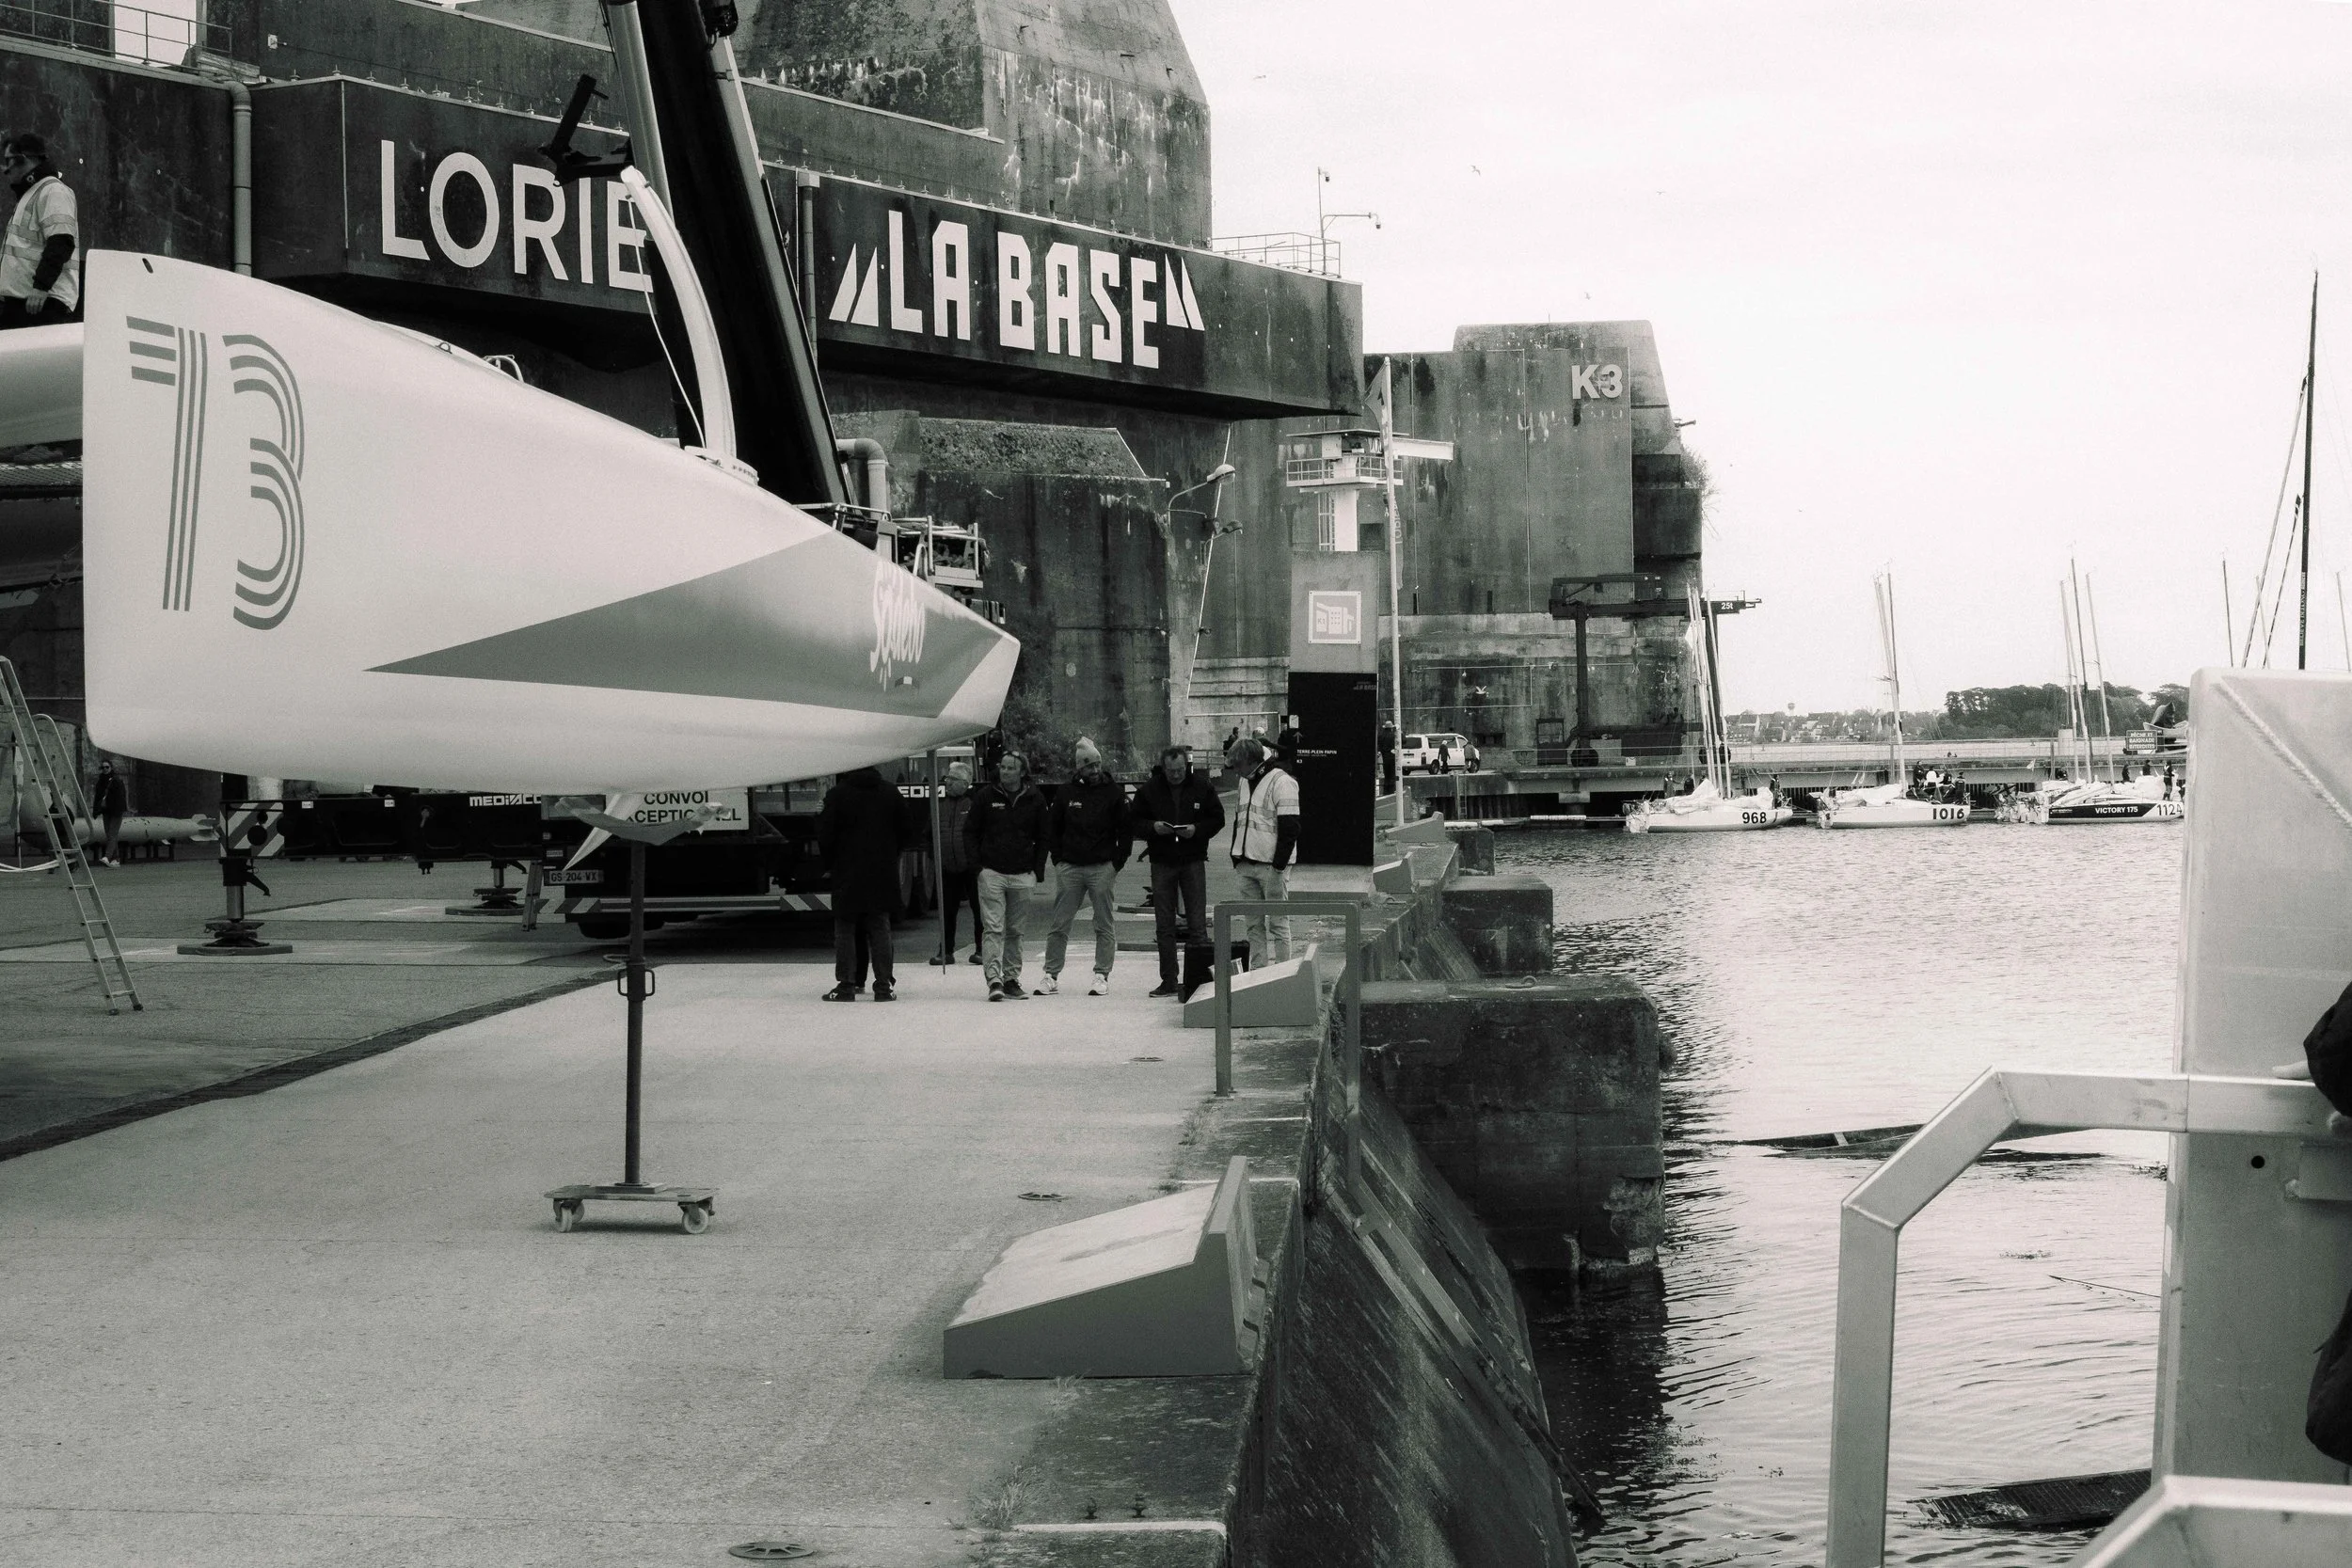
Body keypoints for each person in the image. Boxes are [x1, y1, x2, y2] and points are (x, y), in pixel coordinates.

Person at [1129, 743, 1225, 998]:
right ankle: (1169, 980)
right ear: (1163, 768)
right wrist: (1152, 827)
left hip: (1192, 858)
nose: (1176, 775)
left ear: (1187, 766)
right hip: (1162, 860)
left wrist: (1197, 830)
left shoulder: (1202, 787)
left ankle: (1200, 981)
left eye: (1180, 769)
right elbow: (1133, 822)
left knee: (1197, 923)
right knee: (1164, 923)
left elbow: (1218, 819)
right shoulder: (1150, 790)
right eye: (1171, 771)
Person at [1041, 737, 1129, 995]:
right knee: (1060, 923)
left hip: (1102, 867)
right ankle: (1051, 974)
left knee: (1104, 923)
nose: (1095, 770)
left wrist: (1116, 864)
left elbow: (1125, 830)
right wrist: (1058, 860)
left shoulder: (1113, 792)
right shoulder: (1066, 793)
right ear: (1079, 767)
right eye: (1089, 766)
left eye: (1098, 765)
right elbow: (1053, 828)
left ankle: (1102, 974)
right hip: (1070, 867)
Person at [816, 767, 912, 1001]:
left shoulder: (838, 794)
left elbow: (826, 835)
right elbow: (907, 830)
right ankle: (883, 987)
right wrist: (891, 853)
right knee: (880, 927)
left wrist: (830, 863)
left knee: (845, 928)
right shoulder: (891, 793)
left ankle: (846, 986)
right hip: (882, 870)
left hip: (847, 870)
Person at [963, 752, 1047, 1001]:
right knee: (993, 928)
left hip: (1022, 874)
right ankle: (994, 979)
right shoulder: (985, 797)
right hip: (992, 873)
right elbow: (970, 832)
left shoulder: (1035, 798)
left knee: (1015, 930)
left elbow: (1044, 835)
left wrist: (1038, 870)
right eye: (1003, 767)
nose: (1006, 771)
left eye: (1012, 768)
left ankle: (1011, 978)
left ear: (1023, 772)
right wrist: (977, 868)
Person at [1227, 736, 1300, 962]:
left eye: (1238, 766)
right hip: (1246, 863)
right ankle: (1259, 973)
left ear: (1251, 761)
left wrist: (1278, 868)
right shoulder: (1244, 781)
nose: (1236, 772)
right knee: (1253, 926)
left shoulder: (1282, 781)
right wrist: (1236, 858)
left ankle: (1283, 974)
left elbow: (1290, 828)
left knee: (1278, 924)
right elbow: (1239, 820)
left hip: (1271, 867)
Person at [1, 134, 79, 329]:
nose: (5, 169)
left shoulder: (53, 191)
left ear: (24, 159)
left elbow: (61, 241)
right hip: (27, 302)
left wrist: (41, 287)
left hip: (41, 303)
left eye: (8, 160)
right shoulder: (32, 193)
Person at [931, 761, 983, 965]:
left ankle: (981, 949)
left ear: (964, 783)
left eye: (952, 779)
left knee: (979, 909)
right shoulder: (939, 804)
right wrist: (933, 856)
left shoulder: (975, 803)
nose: (947, 783)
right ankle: (945, 951)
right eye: (947, 779)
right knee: (947, 911)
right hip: (947, 867)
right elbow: (930, 832)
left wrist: (979, 860)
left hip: (971, 867)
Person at [93, 760, 126, 866]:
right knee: (110, 835)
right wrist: (95, 811)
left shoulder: (117, 780)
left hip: (116, 812)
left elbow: (121, 797)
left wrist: (119, 810)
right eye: (103, 767)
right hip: (106, 811)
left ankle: (107, 856)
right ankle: (115, 859)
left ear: (111, 768)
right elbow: (97, 797)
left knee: (112, 834)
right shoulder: (100, 781)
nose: (105, 769)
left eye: (107, 767)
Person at [1377, 719, 1398, 794]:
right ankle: (1391, 792)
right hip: (1393, 757)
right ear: (1391, 727)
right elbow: (1404, 740)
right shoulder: (1394, 735)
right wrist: (1399, 731)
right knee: (1392, 775)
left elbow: (1379, 745)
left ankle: (1386, 792)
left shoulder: (1381, 735)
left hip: (1385, 757)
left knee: (1387, 775)